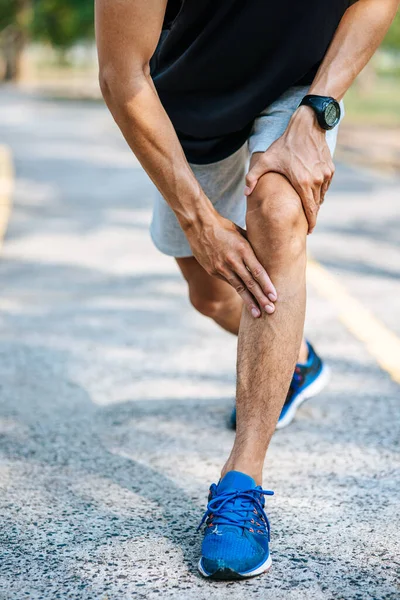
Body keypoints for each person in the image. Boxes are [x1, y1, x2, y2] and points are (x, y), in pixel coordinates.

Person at [95, 0, 399, 581]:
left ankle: (242, 484)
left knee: (279, 213)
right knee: (210, 297)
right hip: (186, 110)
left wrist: (320, 106)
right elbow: (120, 74)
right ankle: (298, 361)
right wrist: (198, 222)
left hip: (298, 86)